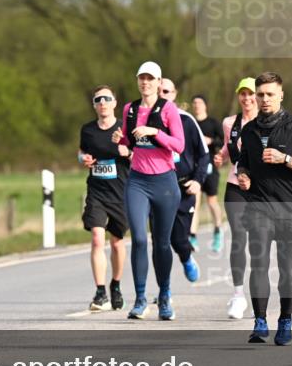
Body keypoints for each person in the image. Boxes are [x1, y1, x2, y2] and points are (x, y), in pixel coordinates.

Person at [236, 72, 292, 346]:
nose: (264, 99)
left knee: (286, 266)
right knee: (258, 262)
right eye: (260, 94)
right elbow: (243, 162)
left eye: (270, 94)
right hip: (259, 206)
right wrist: (244, 175)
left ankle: (285, 319)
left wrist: (285, 159)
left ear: (281, 95)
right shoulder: (249, 131)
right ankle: (260, 322)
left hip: (289, 207)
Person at [112, 61, 185, 320]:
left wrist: (155, 131)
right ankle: (141, 298)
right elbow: (129, 142)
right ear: (137, 81)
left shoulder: (168, 109)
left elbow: (179, 145)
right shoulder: (129, 109)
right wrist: (120, 140)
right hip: (138, 182)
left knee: (161, 243)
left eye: (150, 79)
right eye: (142, 78)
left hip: (165, 182)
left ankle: (164, 296)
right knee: (140, 240)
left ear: (158, 81)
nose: (145, 83)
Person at [78, 85, 130, 311]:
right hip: (97, 191)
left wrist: (126, 150)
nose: (102, 102)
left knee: (117, 243)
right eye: (98, 99)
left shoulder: (125, 127)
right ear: (94, 105)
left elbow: (139, 154)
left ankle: (115, 285)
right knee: (97, 238)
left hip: (121, 192)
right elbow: (81, 151)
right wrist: (84, 159)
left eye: (107, 98)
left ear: (114, 103)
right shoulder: (88, 130)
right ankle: (100, 292)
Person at [214, 77, 258, 320]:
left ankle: (259, 294)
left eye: (251, 93)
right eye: (243, 94)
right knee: (239, 238)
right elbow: (229, 146)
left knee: (258, 241)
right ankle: (238, 295)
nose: (247, 98)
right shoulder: (229, 122)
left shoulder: (267, 123)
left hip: (260, 189)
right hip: (235, 185)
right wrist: (220, 157)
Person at [159, 78, 210, 286]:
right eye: (159, 91)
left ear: (174, 94)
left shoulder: (186, 120)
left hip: (183, 188)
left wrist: (198, 181)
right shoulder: (146, 120)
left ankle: (187, 257)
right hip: (158, 187)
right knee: (160, 243)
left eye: (166, 91)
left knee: (178, 240)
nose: (163, 95)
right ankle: (164, 291)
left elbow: (204, 155)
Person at [190, 94, 224, 254]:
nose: (196, 105)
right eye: (194, 103)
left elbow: (224, 141)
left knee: (211, 201)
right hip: (194, 168)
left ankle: (218, 230)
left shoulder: (213, 122)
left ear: (205, 105)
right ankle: (192, 236)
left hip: (210, 167)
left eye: (199, 103)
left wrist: (210, 141)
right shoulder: (190, 122)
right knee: (194, 202)